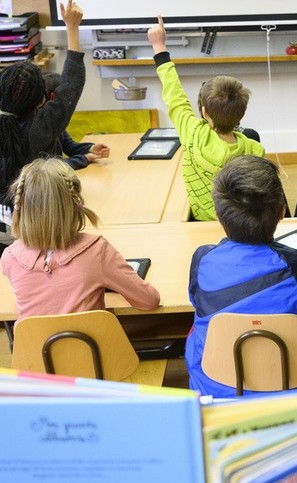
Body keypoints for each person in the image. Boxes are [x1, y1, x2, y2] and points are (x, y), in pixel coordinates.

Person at [186, 155, 297, 398]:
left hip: (212, 394)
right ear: (282, 211)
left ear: (218, 215)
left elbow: (200, 309)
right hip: (290, 394)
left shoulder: (202, 260)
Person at [0, 159, 160, 323]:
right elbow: (149, 301)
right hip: (90, 348)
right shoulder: (97, 250)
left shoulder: (9, 257)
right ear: (75, 203)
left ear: (21, 208)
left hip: (33, 348)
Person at [147, 16, 265, 221]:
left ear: (204, 111)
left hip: (203, 223)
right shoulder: (255, 150)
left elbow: (175, 96)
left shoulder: (193, 134)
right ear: (242, 113)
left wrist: (159, 46)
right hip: (242, 225)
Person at [0, 0, 85, 247]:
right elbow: (71, 85)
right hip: (37, 225)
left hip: (5, 232)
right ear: (41, 100)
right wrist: (72, 28)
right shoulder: (39, 128)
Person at [43, 72, 110, 170]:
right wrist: (85, 158)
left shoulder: (55, 119)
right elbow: (51, 167)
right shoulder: (39, 128)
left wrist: (91, 148)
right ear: (53, 97)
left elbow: (69, 145)